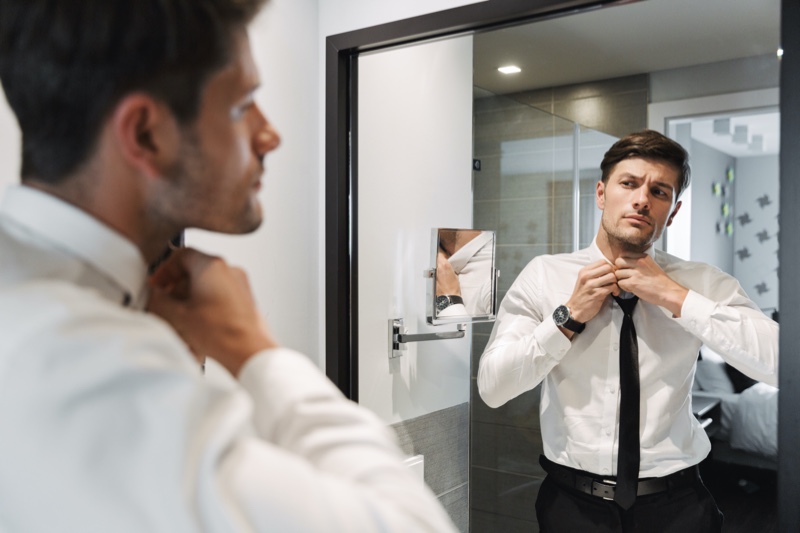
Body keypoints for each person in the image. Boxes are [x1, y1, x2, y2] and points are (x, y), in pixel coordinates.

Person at [0, 2, 457, 532]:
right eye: (244, 104)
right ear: (146, 134)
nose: (271, 136)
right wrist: (252, 350)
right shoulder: (86, 365)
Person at [477, 130, 778, 532]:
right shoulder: (544, 276)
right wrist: (567, 319)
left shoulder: (700, 281)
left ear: (672, 211)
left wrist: (678, 298)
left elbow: (781, 365)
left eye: (659, 191)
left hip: (679, 508)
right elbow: (493, 388)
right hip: (572, 508)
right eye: (629, 183)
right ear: (602, 193)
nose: (642, 199)